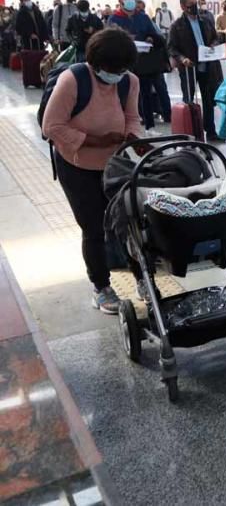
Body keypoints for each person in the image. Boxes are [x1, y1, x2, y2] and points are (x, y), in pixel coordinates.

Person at [42, 28, 142, 314]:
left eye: (123, 69)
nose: (118, 74)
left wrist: (134, 137)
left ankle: (142, 277)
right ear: (97, 64)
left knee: (129, 221)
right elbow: (51, 126)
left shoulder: (128, 81)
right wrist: (95, 141)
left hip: (114, 165)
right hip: (77, 166)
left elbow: (132, 117)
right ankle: (101, 286)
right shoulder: (73, 79)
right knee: (94, 228)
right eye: (113, 69)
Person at [167, 0, 226, 143]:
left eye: (195, 4)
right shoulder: (177, 26)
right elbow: (172, 48)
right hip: (189, 68)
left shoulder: (205, 21)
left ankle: (211, 131)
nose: (194, 8)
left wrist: (213, 45)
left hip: (207, 66)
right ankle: (192, 133)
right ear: (182, 6)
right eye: (190, 5)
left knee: (208, 99)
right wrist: (182, 59)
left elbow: (215, 37)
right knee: (189, 99)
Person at [108, 0, 168, 132]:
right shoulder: (114, 19)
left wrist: (150, 38)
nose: (129, 0)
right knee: (124, 95)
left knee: (145, 94)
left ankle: (148, 125)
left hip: (144, 63)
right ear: (120, 1)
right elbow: (108, 41)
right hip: (124, 64)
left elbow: (155, 35)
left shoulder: (143, 17)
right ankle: (123, 128)